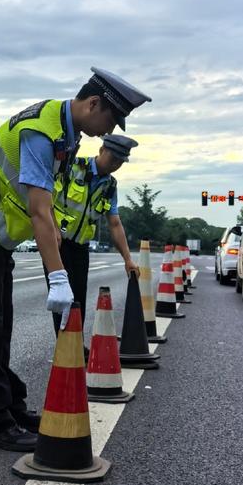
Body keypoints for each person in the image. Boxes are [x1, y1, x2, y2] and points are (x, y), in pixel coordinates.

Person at [0, 68, 151, 452]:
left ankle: (9, 406)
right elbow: (39, 210)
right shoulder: (42, 132)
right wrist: (58, 276)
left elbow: (48, 206)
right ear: (93, 104)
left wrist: (54, 227)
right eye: (110, 119)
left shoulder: (65, 133)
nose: (108, 131)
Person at [47, 134, 140, 352]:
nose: (115, 164)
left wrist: (128, 259)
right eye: (112, 158)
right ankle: (68, 348)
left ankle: (74, 346)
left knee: (78, 298)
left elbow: (115, 224)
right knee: (63, 298)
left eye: (120, 161)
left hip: (80, 246)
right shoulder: (72, 168)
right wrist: (51, 228)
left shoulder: (109, 186)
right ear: (101, 150)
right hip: (57, 242)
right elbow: (46, 197)